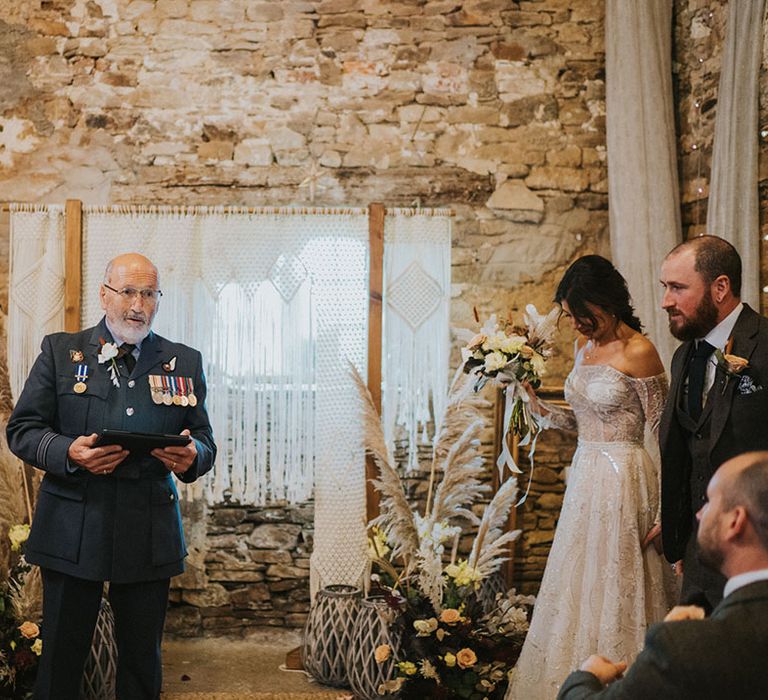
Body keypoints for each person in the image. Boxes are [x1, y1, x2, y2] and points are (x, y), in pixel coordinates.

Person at [6, 253, 217, 700]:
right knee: (62, 657)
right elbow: (22, 430)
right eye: (128, 292)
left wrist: (192, 455)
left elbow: (203, 440)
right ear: (104, 294)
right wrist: (69, 451)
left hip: (148, 527)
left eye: (149, 294)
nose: (138, 304)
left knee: (142, 662)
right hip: (72, 525)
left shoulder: (183, 361)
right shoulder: (61, 351)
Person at [507, 255, 675, 700]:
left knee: (622, 576)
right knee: (580, 578)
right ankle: (577, 676)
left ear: (608, 303)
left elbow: (665, 435)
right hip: (586, 476)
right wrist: (539, 408)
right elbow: (583, 422)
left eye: (583, 315)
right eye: (569, 316)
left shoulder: (640, 351)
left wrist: (667, 511)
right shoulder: (584, 349)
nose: (577, 326)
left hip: (627, 478)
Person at [557, 451, 768, 700]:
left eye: (709, 501)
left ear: (735, 521)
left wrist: (585, 677)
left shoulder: (689, 648)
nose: (699, 514)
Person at [659, 235, 768, 611]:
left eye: (677, 287)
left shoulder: (766, 344)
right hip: (696, 552)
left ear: (720, 287)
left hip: (755, 556)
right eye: (665, 287)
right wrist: (680, 538)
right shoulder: (682, 356)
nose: (665, 301)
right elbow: (684, 452)